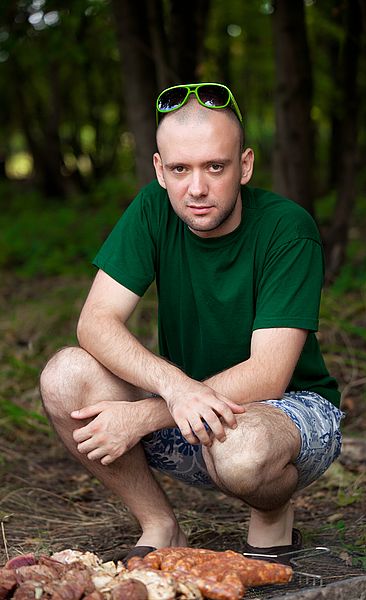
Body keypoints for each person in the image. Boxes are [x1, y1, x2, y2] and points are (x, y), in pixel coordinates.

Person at [40, 82, 343, 564]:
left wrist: (147, 412)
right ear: (160, 170)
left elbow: (268, 374)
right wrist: (175, 388)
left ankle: (271, 515)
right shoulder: (152, 209)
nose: (196, 188)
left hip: (285, 415)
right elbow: (96, 322)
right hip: (188, 413)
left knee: (242, 451)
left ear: (244, 166)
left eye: (215, 167)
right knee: (65, 375)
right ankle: (160, 524)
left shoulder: (288, 228)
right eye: (180, 169)